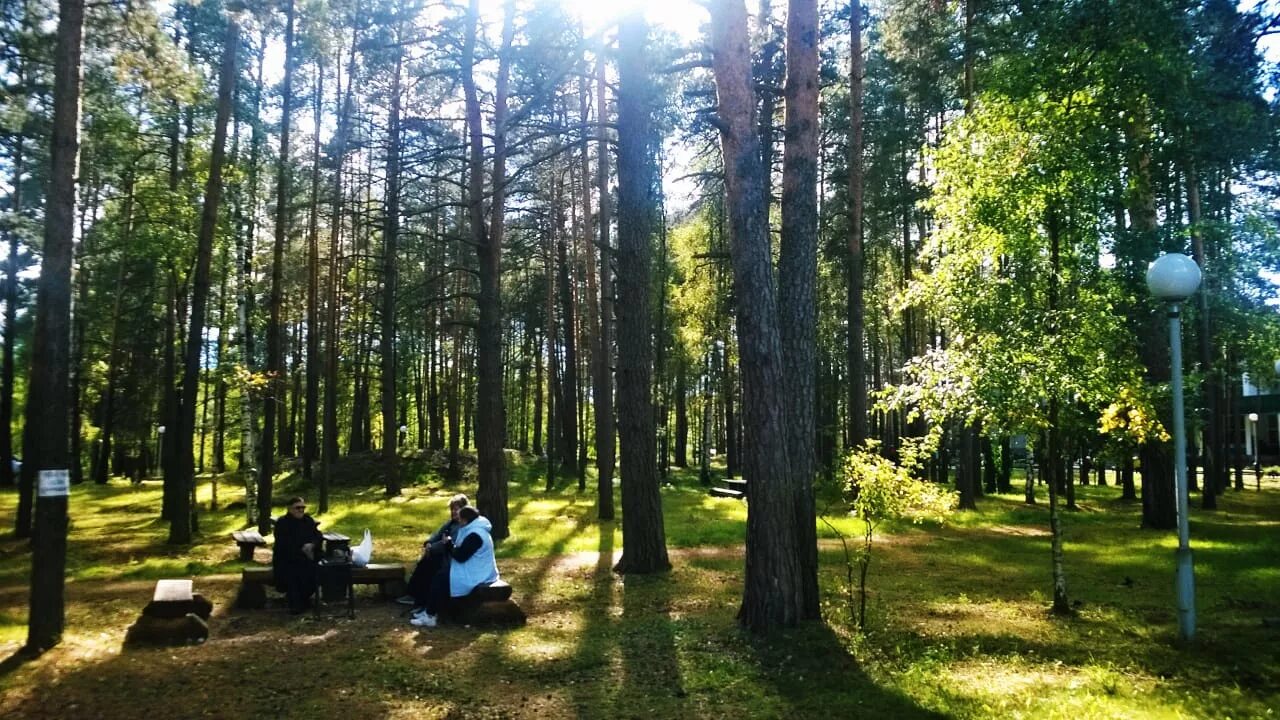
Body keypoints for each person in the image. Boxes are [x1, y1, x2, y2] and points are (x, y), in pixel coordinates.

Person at [410, 505, 499, 628]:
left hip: (478, 572)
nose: (459, 522)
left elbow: (461, 556)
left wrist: (449, 544)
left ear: (466, 520)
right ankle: (429, 611)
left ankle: (430, 615)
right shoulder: (474, 529)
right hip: (473, 567)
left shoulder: (476, 535)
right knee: (439, 572)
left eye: (461, 519)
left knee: (442, 578)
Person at [399, 493, 469, 608]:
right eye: (452, 509)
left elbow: (448, 543)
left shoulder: (462, 526)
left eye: (457, 509)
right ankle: (413, 594)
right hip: (441, 553)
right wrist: (428, 543)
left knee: (430, 562)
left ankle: (417, 595)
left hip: (453, 557)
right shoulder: (450, 523)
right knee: (425, 561)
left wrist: (432, 548)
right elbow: (437, 535)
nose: (454, 512)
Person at [272, 496, 323, 614]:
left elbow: (318, 535)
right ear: (290, 509)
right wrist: (302, 550)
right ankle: (295, 604)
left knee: (315, 570)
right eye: (297, 508)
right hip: (287, 559)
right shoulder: (282, 523)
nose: (301, 510)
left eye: (303, 508)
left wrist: (312, 545)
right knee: (293, 573)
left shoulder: (308, 520)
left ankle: (305, 599)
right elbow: (283, 544)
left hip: (307, 557)